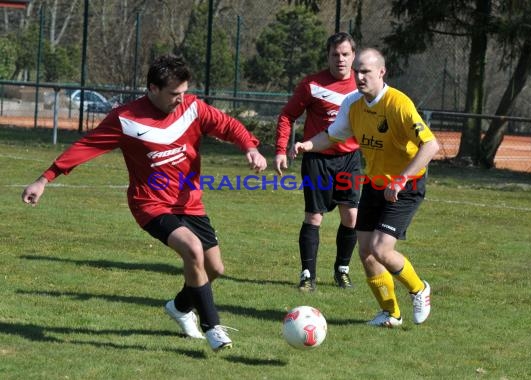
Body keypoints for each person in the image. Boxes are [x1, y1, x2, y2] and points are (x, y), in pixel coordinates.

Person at [21, 54, 267, 350]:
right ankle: (212, 327)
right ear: (152, 88)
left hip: (189, 201)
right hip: (150, 204)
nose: (181, 98)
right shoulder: (125, 119)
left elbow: (228, 126)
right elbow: (85, 147)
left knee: (215, 268)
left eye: (184, 92)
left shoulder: (193, 108)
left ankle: (179, 307)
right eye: (174, 93)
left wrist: (250, 148)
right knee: (192, 249)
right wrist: (45, 178)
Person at [293, 48, 439, 327]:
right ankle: (391, 313)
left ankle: (419, 289)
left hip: (407, 185)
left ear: (381, 73)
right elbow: (333, 136)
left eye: (365, 71)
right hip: (375, 182)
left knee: (382, 249)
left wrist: (402, 179)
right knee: (366, 253)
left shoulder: (399, 104)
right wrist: (307, 145)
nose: (359, 76)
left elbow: (431, 145)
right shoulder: (352, 104)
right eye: (357, 71)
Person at [275, 32, 360, 292]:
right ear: (328, 56)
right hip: (317, 160)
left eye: (345, 54)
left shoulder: (363, 85)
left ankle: (342, 271)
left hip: (350, 159)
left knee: (352, 216)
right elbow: (287, 115)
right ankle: (307, 275)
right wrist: (281, 149)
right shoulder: (312, 84)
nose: (340, 59)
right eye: (335, 55)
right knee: (314, 217)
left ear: (353, 56)